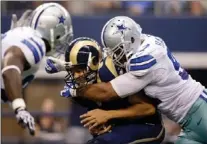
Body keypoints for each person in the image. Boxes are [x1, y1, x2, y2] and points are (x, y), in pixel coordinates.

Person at [57, 16, 207, 144]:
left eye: (117, 52)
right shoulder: (146, 42)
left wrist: (74, 90)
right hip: (187, 120)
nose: (115, 58)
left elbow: (107, 92)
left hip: (199, 110)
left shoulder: (143, 61)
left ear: (131, 41)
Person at [46, 37, 164, 144]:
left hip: (147, 125)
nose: (76, 76)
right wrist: (99, 126)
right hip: (121, 128)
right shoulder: (82, 90)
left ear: (94, 62)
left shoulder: (110, 72)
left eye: (79, 69)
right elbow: (101, 116)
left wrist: (108, 115)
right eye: (72, 70)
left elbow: (148, 109)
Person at [1, 2, 73, 136]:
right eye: (62, 34)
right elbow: (10, 67)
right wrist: (19, 107)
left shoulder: (25, 39)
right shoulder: (37, 44)